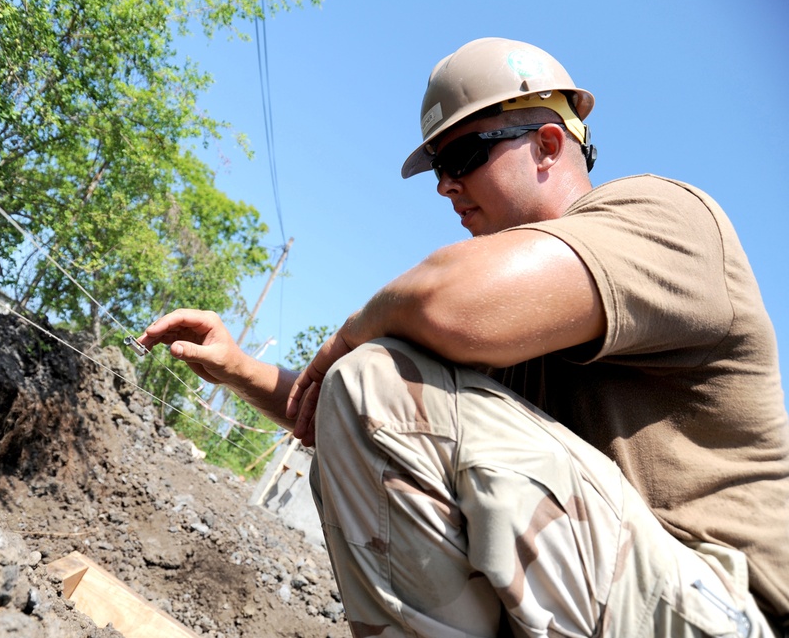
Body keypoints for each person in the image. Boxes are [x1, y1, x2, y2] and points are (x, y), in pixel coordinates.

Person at [138, 37, 789, 637]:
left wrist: (352, 333)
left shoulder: (667, 221)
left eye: (463, 156)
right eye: (439, 167)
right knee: (373, 383)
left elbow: (441, 311)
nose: (446, 184)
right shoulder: (509, 337)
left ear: (549, 145)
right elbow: (371, 424)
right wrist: (239, 369)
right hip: (623, 604)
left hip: (723, 609)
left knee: (375, 374)